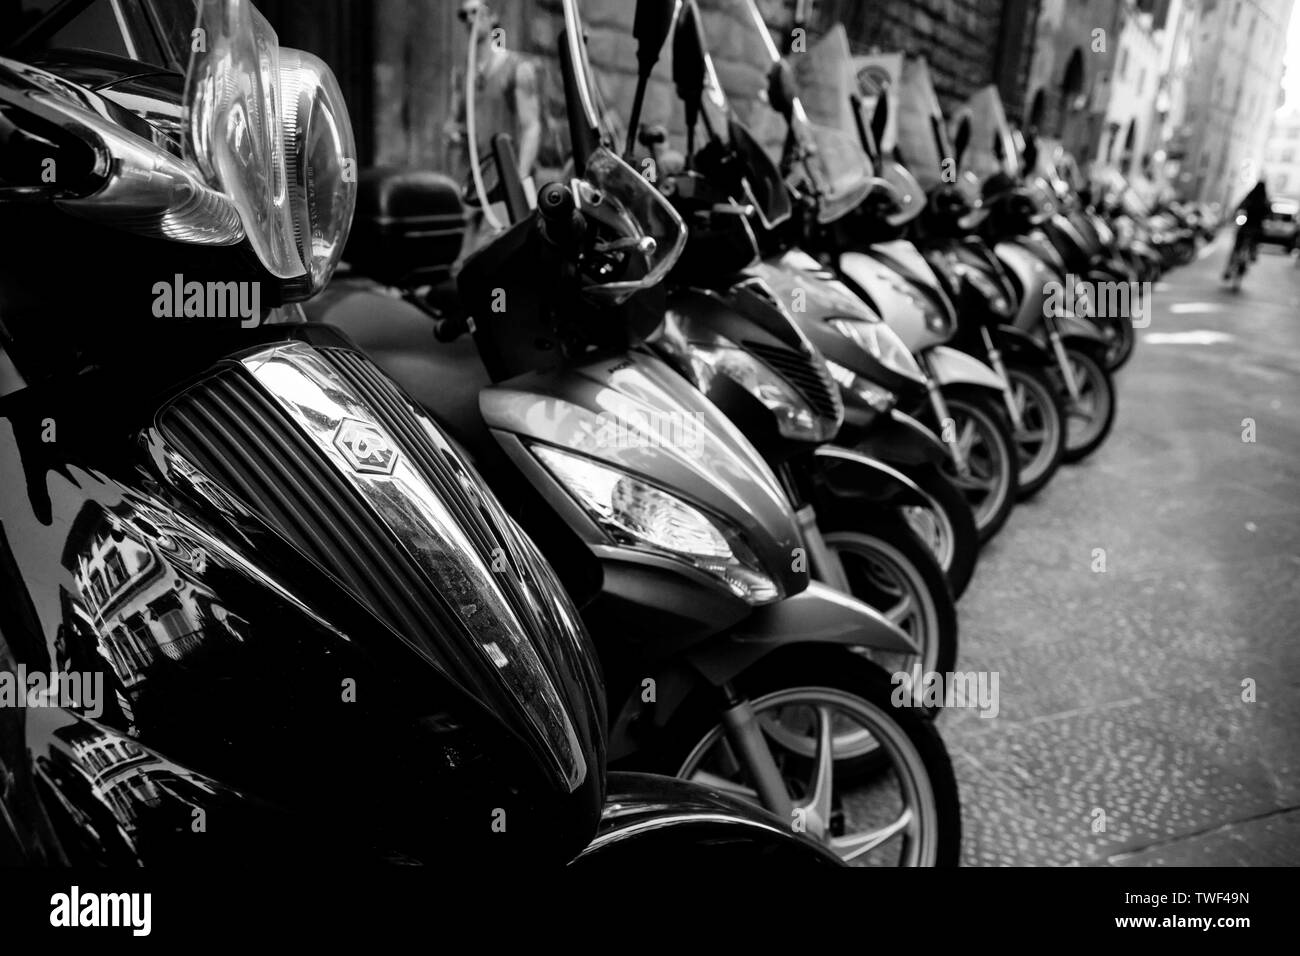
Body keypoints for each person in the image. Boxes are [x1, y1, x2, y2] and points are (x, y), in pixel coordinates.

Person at [445, 0, 542, 184]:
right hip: (471, 178)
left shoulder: (517, 68)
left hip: (504, 176)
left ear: (492, 16)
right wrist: (454, 133)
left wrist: (520, 176)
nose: (470, 19)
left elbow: (531, 127)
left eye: (476, 12)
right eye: (464, 15)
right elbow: (453, 121)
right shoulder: (461, 73)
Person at [1224, 181, 1270, 281]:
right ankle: (1253, 252)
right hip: (1257, 229)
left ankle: (1228, 270)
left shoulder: (1250, 197)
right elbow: (1269, 214)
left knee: (1236, 248)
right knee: (1256, 241)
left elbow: (1239, 207)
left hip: (1245, 227)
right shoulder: (1265, 200)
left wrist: (1233, 216)